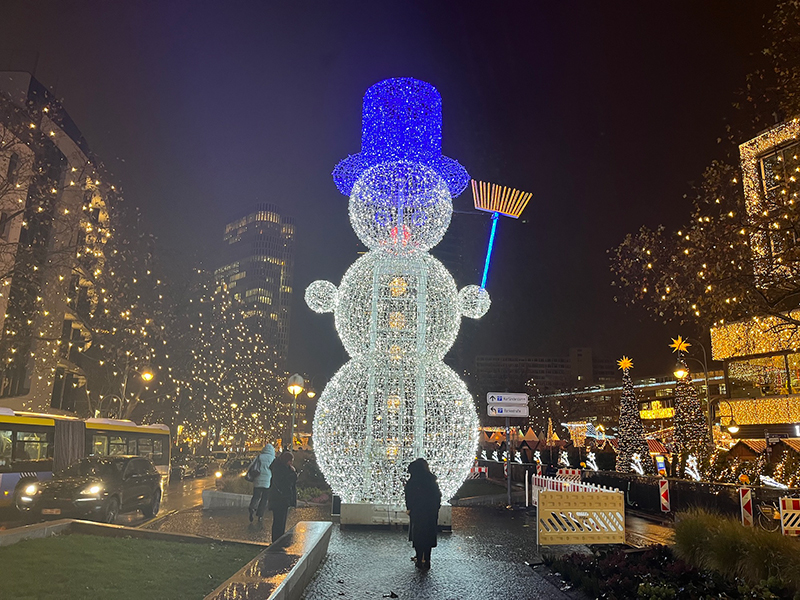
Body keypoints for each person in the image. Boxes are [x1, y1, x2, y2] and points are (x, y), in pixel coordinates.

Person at [404, 458, 441, 570]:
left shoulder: (413, 481)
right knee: (428, 536)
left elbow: (409, 496)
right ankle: (427, 560)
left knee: (418, 536)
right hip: (430, 512)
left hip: (417, 512)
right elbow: (438, 495)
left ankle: (419, 559)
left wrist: (409, 508)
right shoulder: (431, 481)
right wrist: (436, 508)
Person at [268, 451, 297, 541]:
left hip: (278, 498)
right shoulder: (281, 470)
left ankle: (277, 539)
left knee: (279, 520)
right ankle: (277, 540)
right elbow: (287, 482)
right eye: (290, 461)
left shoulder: (278, 467)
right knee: (279, 520)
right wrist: (293, 473)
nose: (291, 463)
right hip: (281, 498)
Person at [249, 443, 276, 523]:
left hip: (257, 480)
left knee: (256, 496)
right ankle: (260, 515)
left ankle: (252, 507)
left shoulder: (259, 457)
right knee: (264, 499)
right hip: (268, 481)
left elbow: (251, 466)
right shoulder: (273, 459)